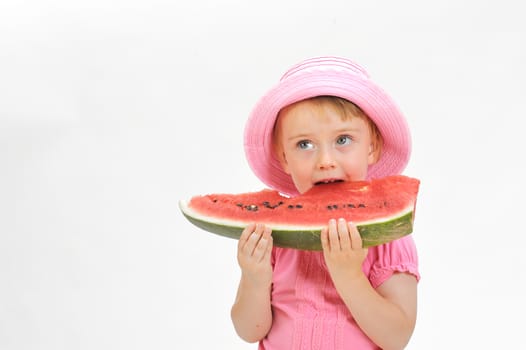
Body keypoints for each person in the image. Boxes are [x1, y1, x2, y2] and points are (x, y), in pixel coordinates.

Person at [231, 56, 420, 350]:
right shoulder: (275, 234)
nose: (325, 161)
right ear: (284, 158)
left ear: (372, 147)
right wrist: (254, 277)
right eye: (304, 144)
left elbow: (397, 337)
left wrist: (349, 276)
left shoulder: (388, 236)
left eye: (343, 140)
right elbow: (249, 330)